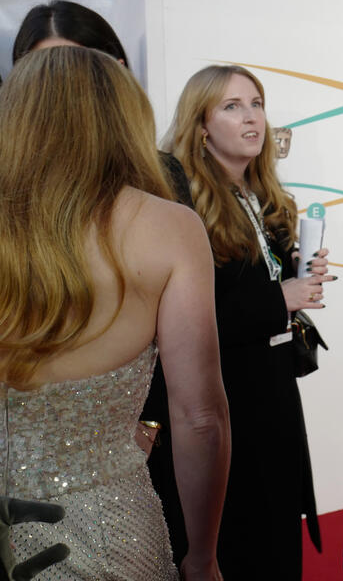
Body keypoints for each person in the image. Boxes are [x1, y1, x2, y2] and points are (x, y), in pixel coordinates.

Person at [0, 46, 230, 580]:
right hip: (113, 535)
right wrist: (203, 555)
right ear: (124, 120)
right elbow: (200, 417)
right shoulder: (168, 228)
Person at [165, 65, 332, 579]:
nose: (251, 118)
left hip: (274, 401)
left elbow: (261, 284)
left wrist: (297, 272)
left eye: (256, 104)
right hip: (224, 406)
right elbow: (185, 322)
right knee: (237, 547)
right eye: (232, 106)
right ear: (201, 126)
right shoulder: (181, 205)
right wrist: (279, 299)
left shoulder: (264, 197)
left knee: (277, 546)